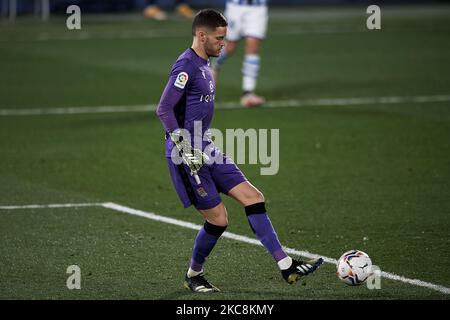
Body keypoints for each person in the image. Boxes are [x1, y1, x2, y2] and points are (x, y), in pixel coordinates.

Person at [155, 9, 323, 293]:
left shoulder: (206, 64)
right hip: (186, 155)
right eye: (219, 39)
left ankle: (287, 267)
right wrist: (183, 146)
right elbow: (164, 108)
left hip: (206, 146)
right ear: (201, 35)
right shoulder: (186, 66)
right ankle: (194, 274)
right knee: (219, 220)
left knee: (253, 197)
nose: (224, 44)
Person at [211, 0, 268, 107]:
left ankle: (248, 93)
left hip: (258, 8)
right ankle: (214, 65)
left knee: (253, 47)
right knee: (230, 47)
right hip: (236, 6)